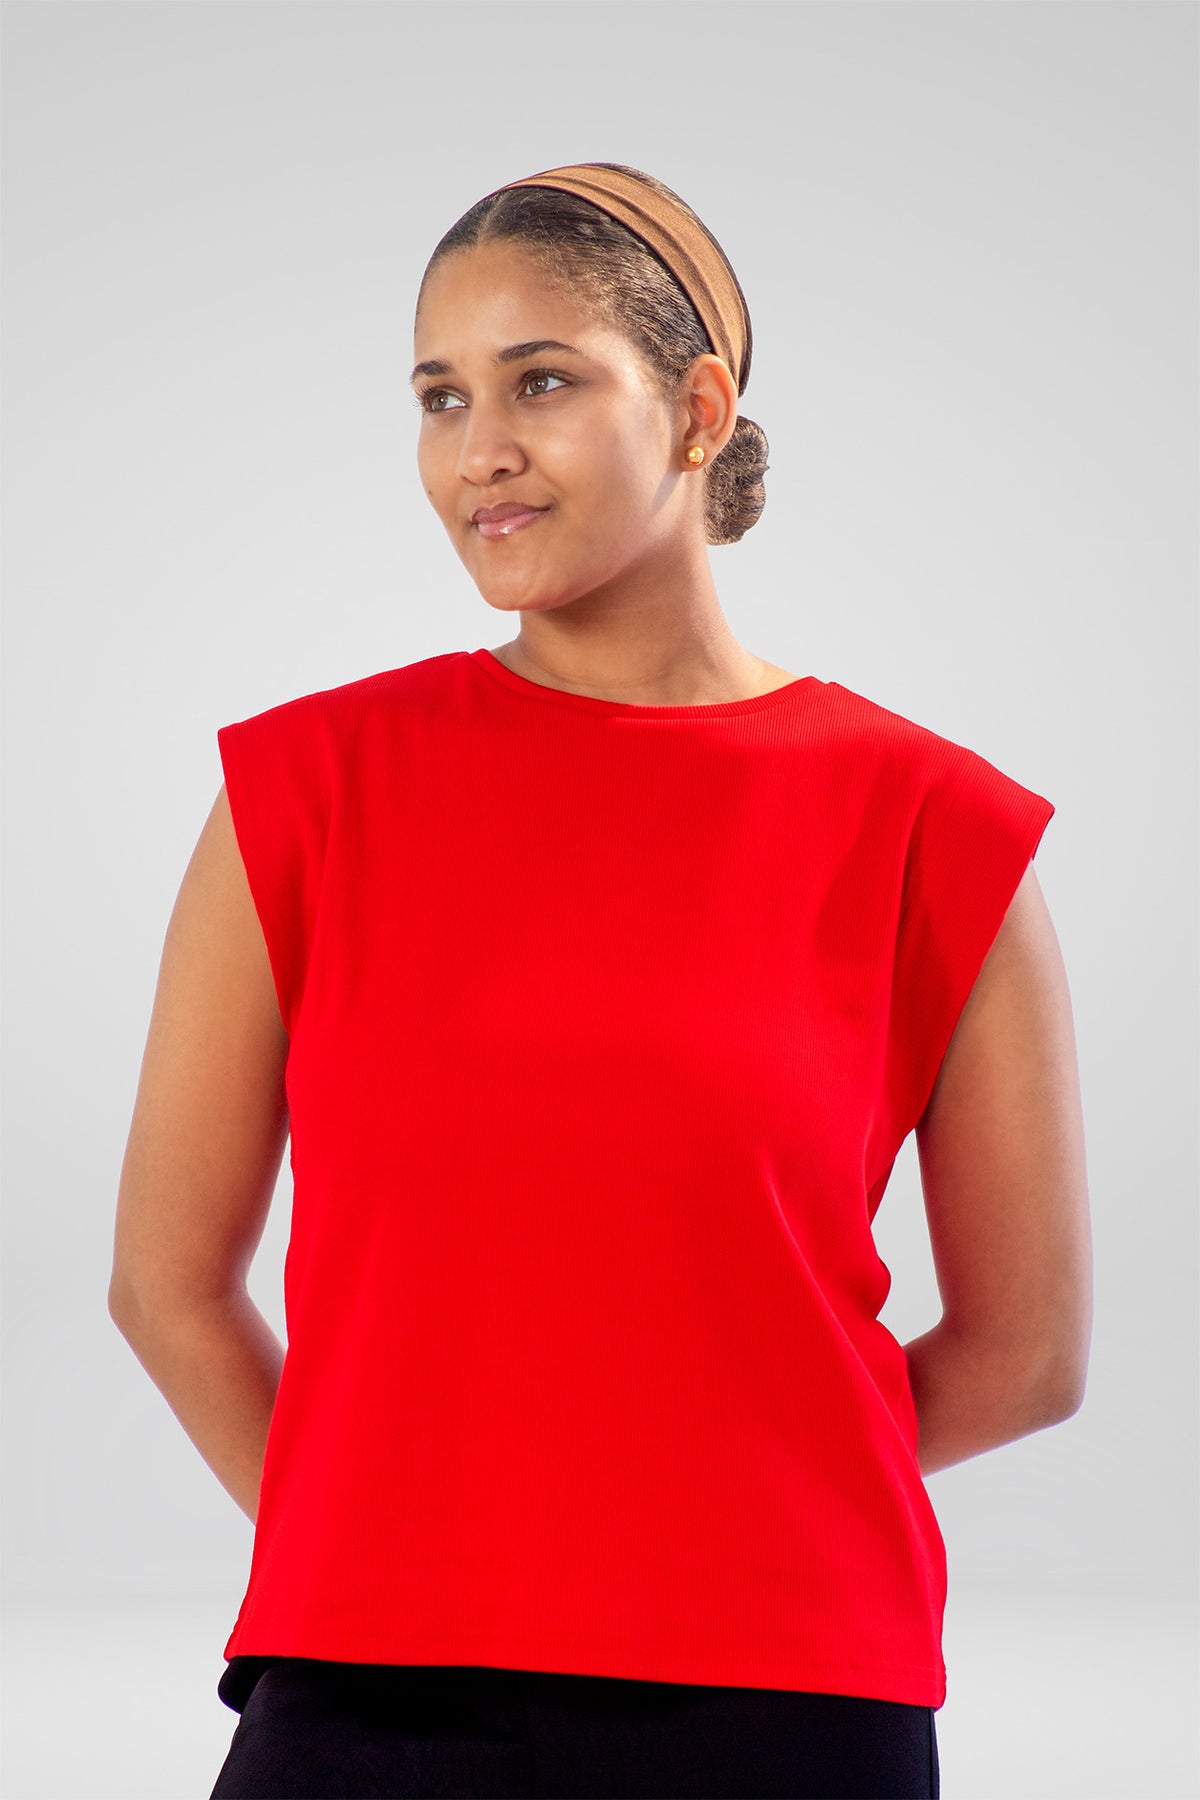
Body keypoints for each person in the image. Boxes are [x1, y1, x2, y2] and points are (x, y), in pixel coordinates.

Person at [108, 161, 1092, 1800]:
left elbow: (1028, 1352)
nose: (478, 449)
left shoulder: (935, 825)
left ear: (698, 412)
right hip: (372, 1698)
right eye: (441, 397)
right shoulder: (309, 792)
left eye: (543, 382)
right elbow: (167, 1285)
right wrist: (390, 1539)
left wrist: (712, 1511)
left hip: (787, 1699)